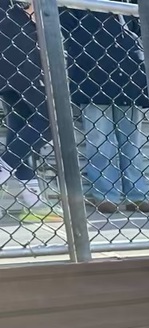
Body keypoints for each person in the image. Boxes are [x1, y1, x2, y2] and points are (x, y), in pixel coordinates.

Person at [62, 1, 149, 215]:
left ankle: (136, 194)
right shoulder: (76, 5)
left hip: (126, 76)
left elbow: (140, 31)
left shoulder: (126, 5)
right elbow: (66, 29)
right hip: (93, 76)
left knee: (131, 140)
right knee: (100, 139)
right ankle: (106, 194)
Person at [0, 0, 61, 223]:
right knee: (51, 119)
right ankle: (3, 169)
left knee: (20, 120)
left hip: (13, 36)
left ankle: (33, 202)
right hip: (16, 37)